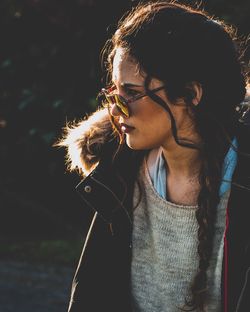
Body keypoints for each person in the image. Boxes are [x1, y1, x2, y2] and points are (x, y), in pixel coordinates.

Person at [57, 1, 250, 311]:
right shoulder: (120, 172)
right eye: (114, 92)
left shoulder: (243, 183)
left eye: (131, 93)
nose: (116, 109)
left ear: (190, 94)